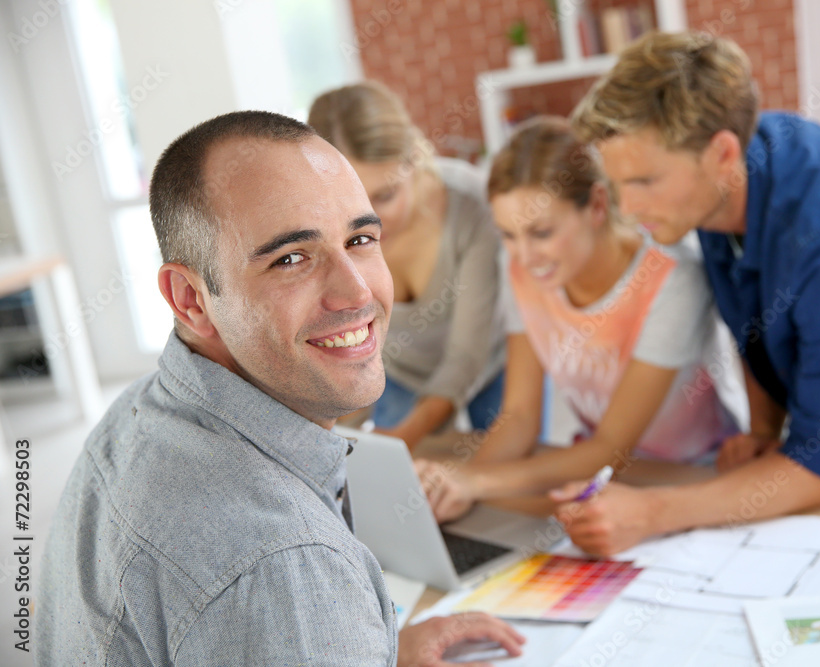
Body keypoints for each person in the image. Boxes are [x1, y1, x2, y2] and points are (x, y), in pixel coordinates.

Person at [36, 111, 525, 665]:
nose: (357, 291)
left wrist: (375, 650)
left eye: (361, 238)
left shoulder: (136, 416)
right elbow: (273, 590)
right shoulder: (282, 564)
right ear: (191, 299)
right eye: (291, 258)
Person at [549, 30, 820, 556]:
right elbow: (754, 313)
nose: (626, 206)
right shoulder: (729, 179)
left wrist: (651, 512)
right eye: (618, 182)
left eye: (645, 181)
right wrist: (765, 426)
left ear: (720, 152)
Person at [418, 116, 747, 523]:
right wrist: (457, 482)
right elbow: (519, 416)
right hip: (595, 475)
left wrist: (479, 483)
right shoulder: (522, 268)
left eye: (541, 233)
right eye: (507, 234)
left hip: (691, 477)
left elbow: (613, 443)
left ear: (595, 205)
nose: (523, 256)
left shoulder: (671, 280)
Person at [308, 82, 505, 449]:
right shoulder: (318, 229)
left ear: (414, 159)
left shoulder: (472, 206)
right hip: (398, 371)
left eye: (385, 195)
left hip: (487, 363)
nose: (369, 220)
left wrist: (402, 440)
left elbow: (465, 357)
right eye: (353, 201)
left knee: (501, 468)